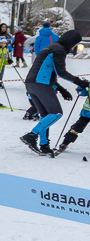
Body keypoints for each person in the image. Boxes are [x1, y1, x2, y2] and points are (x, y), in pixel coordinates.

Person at [21, 29, 88, 157]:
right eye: (74, 44)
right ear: (70, 41)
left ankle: (44, 145)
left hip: (31, 84)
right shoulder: (59, 50)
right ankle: (31, 135)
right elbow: (61, 72)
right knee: (56, 113)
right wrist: (79, 82)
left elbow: (47, 71)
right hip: (41, 84)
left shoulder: (52, 47)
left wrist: (61, 89)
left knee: (45, 115)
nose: (73, 47)